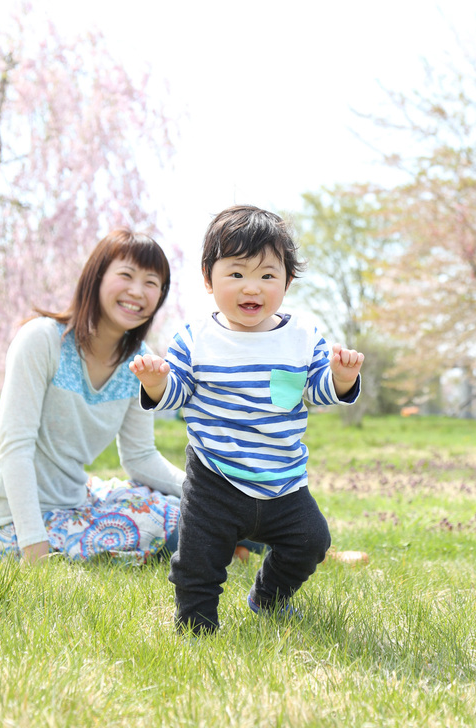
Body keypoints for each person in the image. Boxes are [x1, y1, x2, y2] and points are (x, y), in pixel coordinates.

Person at [129, 205, 365, 633]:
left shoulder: (302, 337)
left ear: (287, 282)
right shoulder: (195, 338)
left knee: (311, 542)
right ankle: (196, 625)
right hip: (215, 477)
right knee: (198, 559)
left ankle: (268, 598)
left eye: (267, 275)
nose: (251, 287)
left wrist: (343, 377)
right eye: (236, 274)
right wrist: (156, 384)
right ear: (208, 279)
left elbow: (318, 390)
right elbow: (177, 393)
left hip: (283, 479)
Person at [0, 227, 185, 565]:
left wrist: (204, 491)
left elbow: (140, 456)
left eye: (151, 282)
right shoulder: (42, 340)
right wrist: (33, 546)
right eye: (126, 275)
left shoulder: (140, 361)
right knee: (175, 522)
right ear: (97, 277)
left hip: (78, 502)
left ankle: (253, 530)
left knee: (188, 507)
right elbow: (14, 445)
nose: (137, 291)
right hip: (14, 523)